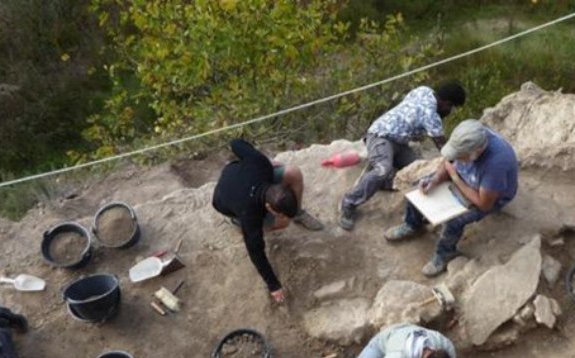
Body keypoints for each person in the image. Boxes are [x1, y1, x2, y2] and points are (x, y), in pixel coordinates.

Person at [384, 119, 519, 277]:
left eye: (460, 157)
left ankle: (445, 253)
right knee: (418, 188)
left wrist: (455, 177)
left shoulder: (496, 163)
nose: (457, 159)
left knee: (455, 220)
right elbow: (448, 160)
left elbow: (484, 204)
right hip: (465, 179)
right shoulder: (467, 136)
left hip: (487, 195)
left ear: (477, 152)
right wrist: (435, 180)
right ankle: (413, 224)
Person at [338, 82, 467, 231]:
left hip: (400, 143)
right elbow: (444, 148)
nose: (449, 111)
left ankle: (376, 181)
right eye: (451, 107)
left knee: (419, 172)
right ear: (446, 102)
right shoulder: (431, 115)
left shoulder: (424, 90)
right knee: (382, 170)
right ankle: (349, 202)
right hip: (380, 136)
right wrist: (459, 164)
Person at [212, 138, 324, 303]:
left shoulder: (262, 164)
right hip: (225, 202)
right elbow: (256, 253)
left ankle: (298, 213)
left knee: (293, 172)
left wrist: (263, 159)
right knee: (283, 224)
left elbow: (235, 142)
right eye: (281, 213)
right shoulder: (251, 216)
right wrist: (273, 285)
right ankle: (237, 222)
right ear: (269, 208)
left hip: (237, 175)